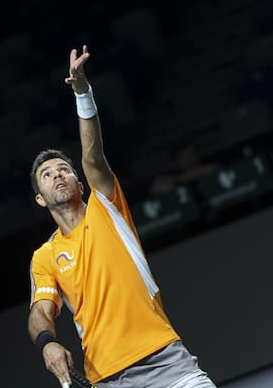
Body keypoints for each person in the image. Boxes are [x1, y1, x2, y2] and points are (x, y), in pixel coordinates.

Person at [28, 45, 217, 388]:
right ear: (40, 199)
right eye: (47, 174)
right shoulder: (44, 258)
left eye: (64, 170)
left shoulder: (107, 208)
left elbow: (92, 156)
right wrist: (48, 342)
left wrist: (82, 93)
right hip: (109, 378)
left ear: (80, 184)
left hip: (165, 359)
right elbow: (40, 311)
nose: (57, 175)